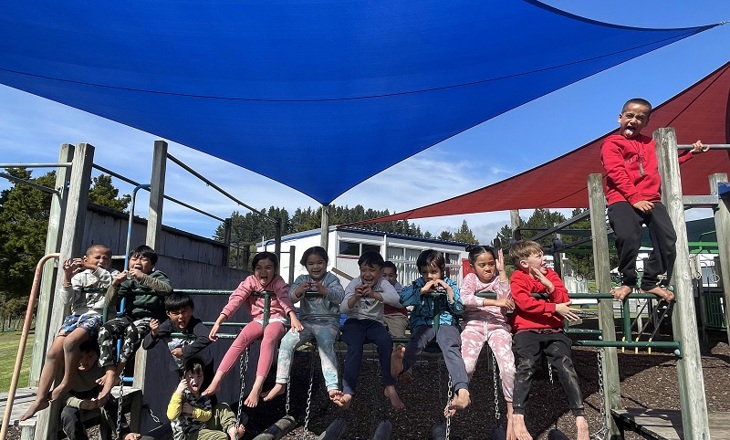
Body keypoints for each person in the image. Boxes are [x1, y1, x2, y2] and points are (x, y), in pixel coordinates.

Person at [601, 97, 709, 302]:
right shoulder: (612, 143)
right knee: (628, 236)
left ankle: (650, 281)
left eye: (640, 118)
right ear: (620, 118)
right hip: (622, 198)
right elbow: (616, 171)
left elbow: (666, 163)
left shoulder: (651, 143)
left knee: (668, 238)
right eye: (629, 116)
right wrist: (634, 198)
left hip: (651, 198)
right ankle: (628, 281)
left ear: (646, 122)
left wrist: (690, 153)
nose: (634, 120)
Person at [20, 244, 117, 421]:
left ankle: (67, 381)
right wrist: (67, 277)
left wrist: (94, 268)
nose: (102, 261)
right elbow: (67, 300)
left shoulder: (113, 274)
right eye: (98, 257)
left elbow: (112, 283)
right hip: (76, 317)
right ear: (86, 258)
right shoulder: (79, 276)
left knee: (71, 342)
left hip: (97, 316)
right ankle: (40, 398)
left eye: (106, 258)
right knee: (52, 353)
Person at [508, 240, 586, 440]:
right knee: (526, 364)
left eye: (543, 254)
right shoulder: (518, 277)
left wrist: (550, 286)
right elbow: (524, 303)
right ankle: (518, 414)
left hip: (553, 328)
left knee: (565, 364)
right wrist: (553, 308)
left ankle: (579, 415)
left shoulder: (551, 274)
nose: (544, 259)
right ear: (525, 263)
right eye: (539, 256)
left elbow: (564, 299)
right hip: (527, 329)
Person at [202, 251, 302, 408]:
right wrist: (219, 321)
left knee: (268, 338)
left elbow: (284, 298)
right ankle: (217, 380)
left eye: (268, 267)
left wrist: (292, 316)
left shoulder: (278, 281)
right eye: (258, 268)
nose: (263, 272)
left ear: (275, 270)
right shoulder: (250, 281)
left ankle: (257, 386)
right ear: (254, 270)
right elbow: (237, 299)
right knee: (241, 338)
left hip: (277, 319)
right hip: (258, 319)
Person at [390, 249, 470, 418]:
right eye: (425, 272)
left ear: (442, 270)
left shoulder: (451, 284)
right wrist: (421, 291)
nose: (430, 276)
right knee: (415, 343)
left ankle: (462, 390)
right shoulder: (418, 284)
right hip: (423, 324)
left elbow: (459, 308)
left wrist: (448, 291)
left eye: (434, 272)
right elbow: (402, 300)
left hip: (446, 323)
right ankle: (401, 366)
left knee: (450, 346)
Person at [262, 246, 345, 405]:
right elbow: (290, 298)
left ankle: (332, 385)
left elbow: (339, 295)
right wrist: (299, 291)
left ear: (326, 263)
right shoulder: (302, 280)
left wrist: (325, 290)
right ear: (306, 265)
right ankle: (280, 383)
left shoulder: (331, 280)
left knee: (325, 342)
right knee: (286, 342)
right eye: (311, 263)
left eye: (319, 262)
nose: (315, 267)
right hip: (306, 321)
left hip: (328, 321)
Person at [97, 245, 173, 401]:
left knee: (133, 331)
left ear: (152, 265)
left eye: (144, 259)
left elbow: (166, 289)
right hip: (130, 316)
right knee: (105, 329)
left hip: (150, 317)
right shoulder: (127, 280)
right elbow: (109, 302)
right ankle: (110, 372)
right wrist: (116, 284)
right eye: (134, 258)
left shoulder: (157, 275)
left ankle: (117, 372)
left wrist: (142, 277)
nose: (138, 262)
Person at [460, 245, 516, 439]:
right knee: (466, 365)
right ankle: (460, 393)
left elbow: (506, 301)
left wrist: (502, 274)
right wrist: (493, 302)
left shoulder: (499, 279)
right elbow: (465, 298)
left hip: (498, 326)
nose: (487, 268)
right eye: (482, 265)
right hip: (474, 324)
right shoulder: (470, 279)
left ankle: (511, 408)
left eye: (491, 264)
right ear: (473, 266)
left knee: (508, 367)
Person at [339, 250, 405, 410]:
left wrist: (375, 295)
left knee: (385, 341)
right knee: (355, 346)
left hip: (374, 323)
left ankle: (389, 386)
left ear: (381, 272)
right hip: (354, 323)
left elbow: (396, 299)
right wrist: (355, 297)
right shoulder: (354, 283)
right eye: (363, 270)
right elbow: (342, 308)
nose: (367, 274)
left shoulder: (383, 283)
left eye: (372, 270)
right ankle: (348, 391)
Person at [58, 340, 139, 440]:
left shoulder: (101, 367)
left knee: (112, 403)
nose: (84, 361)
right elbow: (60, 395)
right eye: (80, 356)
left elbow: (107, 384)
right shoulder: (65, 369)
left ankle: (124, 433)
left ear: (97, 356)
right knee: (68, 415)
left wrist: (104, 396)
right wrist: (80, 403)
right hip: (72, 398)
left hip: (94, 394)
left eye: (90, 356)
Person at [143, 292, 214, 387]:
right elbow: (146, 345)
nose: (180, 317)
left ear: (191, 310)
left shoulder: (195, 324)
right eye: (176, 313)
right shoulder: (167, 325)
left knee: (207, 392)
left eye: (184, 312)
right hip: (183, 367)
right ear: (168, 314)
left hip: (204, 365)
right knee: (183, 392)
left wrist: (184, 351)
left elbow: (206, 337)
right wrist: (154, 333)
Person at [168, 358, 245, 440]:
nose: (195, 380)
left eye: (199, 376)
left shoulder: (203, 394)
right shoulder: (180, 396)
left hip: (202, 427)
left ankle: (232, 431)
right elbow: (171, 415)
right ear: (183, 378)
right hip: (188, 435)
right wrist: (178, 392)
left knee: (222, 407)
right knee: (221, 437)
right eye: (191, 377)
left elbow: (208, 415)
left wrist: (193, 411)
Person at [381, 261, 409, 343]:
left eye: (391, 275)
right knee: (378, 335)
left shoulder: (399, 289)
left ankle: (399, 352)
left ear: (396, 276)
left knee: (398, 339)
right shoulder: (377, 287)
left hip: (397, 315)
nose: (387, 279)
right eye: (384, 275)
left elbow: (400, 303)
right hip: (380, 315)